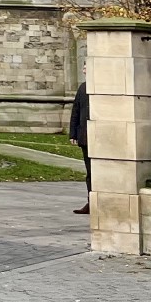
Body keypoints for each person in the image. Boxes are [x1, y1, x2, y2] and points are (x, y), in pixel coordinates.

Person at [68, 82, 91, 216]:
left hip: (100, 137)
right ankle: (91, 201)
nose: (84, 70)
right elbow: (75, 110)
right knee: (90, 173)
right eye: (84, 68)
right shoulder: (83, 87)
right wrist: (73, 133)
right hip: (85, 136)